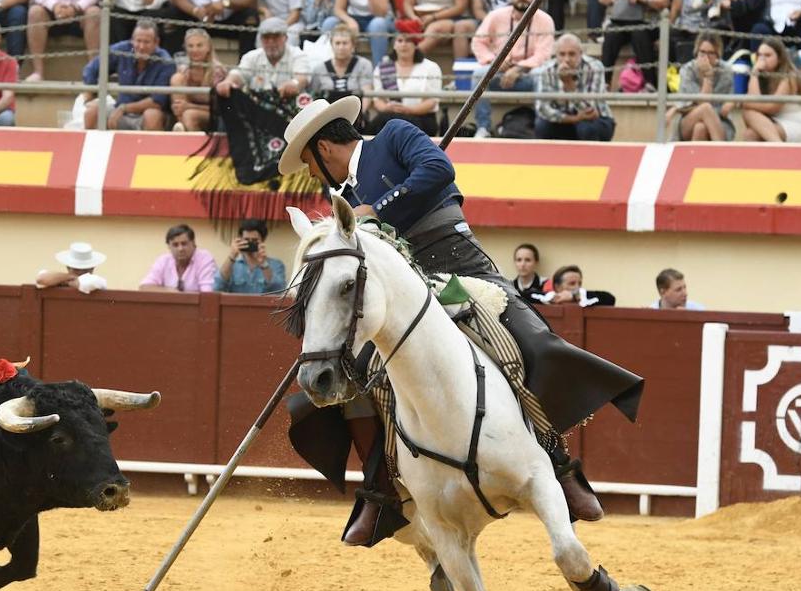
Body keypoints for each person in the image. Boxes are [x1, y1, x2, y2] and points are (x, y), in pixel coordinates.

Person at [277, 97, 645, 541]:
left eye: (311, 165)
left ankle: (560, 467)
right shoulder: (343, 199)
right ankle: (381, 491)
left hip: (457, 268)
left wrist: (381, 208)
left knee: (529, 337)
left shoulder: (393, 136)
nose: (315, 176)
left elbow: (438, 170)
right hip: (402, 293)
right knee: (353, 371)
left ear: (324, 147)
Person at [469, 0, 554, 138]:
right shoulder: (495, 16)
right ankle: (484, 128)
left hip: (528, 74)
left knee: (543, 75)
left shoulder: (545, 20)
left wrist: (519, 68)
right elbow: (478, 42)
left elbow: (544, 54)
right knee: (479, 74)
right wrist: (494, 62)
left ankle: (540, 127)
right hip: (499, 72)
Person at [81, 19, 175, 130]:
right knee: (92, 110)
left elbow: (157, 102)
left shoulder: (165, 61)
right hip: (119, 109)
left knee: (152, 115)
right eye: (138, 41)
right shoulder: (124, 49)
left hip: (144, 112)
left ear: (156, 42)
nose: (141, 46)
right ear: (132, 41)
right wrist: (91, 96)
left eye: (146, 42)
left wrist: (124, 108)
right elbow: (91, 69)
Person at [598, 0, 667, 84]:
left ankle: (650, 83)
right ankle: (604, 82)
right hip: (620, 19)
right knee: (611, 34)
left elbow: (664, 1)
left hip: (647, 22)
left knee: (639, 33)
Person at [725, 36, 801, 142]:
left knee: (748, 111)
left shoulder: (789, 75)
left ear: (779, 58)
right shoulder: (760, 75)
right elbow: (754, 99)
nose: (762, 59)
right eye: (759, 55)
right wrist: (754, 73)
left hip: (794, 122)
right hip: (774, 121)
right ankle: (776, 145)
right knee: (750, 134)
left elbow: (773, 107)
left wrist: (744, 103)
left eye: (767, 55)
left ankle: (778, 145)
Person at [534, 33, 616, 141]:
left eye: (572, 54)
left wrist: (569, 85)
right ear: (556, 55)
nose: (566, 59)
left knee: (587, 128)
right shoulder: (546, 70)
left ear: (580, 54)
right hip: (564, 119)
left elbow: (590, 110)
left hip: (597, 120)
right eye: (562, 54)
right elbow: (542, 108)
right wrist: (574, 118)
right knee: (541, 126)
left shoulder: (594, 67)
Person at [365, 31, 442, 136]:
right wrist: (386, 108)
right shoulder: (382, 68)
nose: (403, 44)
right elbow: (378, 100)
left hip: (421, 119)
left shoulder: (431, 67)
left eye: (408, 41)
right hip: (390, 117)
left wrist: (409, 110)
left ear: (415, 45)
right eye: (400, 41)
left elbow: (431, 102)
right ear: (394, 45)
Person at [216, 16, 309, 99]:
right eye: (266, 37)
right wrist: (228, 81)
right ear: (260, 39)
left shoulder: (298, 55)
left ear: (285, 38)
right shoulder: (251, 56)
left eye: (276, 37)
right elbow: (239, 74)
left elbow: (302, 78)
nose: (271, 42)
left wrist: (294, 84)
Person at [668, 31, 735, 141]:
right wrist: (708, 77)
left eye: (711, 53)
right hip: (689, 120)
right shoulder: (688, 70)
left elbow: (722, 109)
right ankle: (722, 152)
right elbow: (690, 104)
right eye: (702, 52)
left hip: (719, 122)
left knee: (700, 128)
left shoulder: (725, 71)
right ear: (696, 52)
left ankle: (695, 158)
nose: (706, 58)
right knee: (705, 108)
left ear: (718, 54)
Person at [168, 26, 226, 132]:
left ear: (208, 47)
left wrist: (188, 106)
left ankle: (187, 134)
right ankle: (181, 125)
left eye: (199, 45)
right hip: (187, 112)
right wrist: (183, 107)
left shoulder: (217, 71)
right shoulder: (184, 70)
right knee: (177, 78)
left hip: (215, 115)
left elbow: (220, 109)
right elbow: (179, 104)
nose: (194, 50)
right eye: (190, 46)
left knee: (189, 115)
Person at [308, 24, 374, 109]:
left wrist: (360, 116)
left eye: (345, 43)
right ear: (332, 45)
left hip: (356, 114)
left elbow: (367, 94)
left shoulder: (364, 65)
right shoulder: (319, 69)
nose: (341, 47)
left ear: (353, 45)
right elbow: (313, 97)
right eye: (337, 43)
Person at [214, 218, 287, 294]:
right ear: (240, 239)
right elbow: (217, 288)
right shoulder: (232, 266)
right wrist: (232, 256)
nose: (250, 243)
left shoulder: (276, 265)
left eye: (254, 240)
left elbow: (279, 291)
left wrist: (264, 264)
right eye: (246, 240)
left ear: (263, 240)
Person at [139, 223, 217, 292]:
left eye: (184, 244)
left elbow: (207, 293)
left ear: (193, 243)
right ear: (169, 247)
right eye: (175, 245)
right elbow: (144, 287)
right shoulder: (163, 260)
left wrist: (180, 296)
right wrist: (170, 291)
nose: (180, 249)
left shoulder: (204, 258)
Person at [36, 241, 108, 292]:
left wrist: (67, 280)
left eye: (85, 270)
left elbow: (86, 283)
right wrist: (70, 277)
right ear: (68, 267)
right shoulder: (63, 278)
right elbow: (41, 279)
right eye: (76, 269)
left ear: (92, 268)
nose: (80, 272)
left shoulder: (99, 281)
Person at [539, 264, 617, 306]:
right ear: (557, 287)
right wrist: (552, 297)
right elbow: (528, 296)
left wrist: (575, 296)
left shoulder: (584, 300)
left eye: (579, 283)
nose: (577, 287)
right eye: (572, 283)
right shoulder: (548, 299)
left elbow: (609, 298)